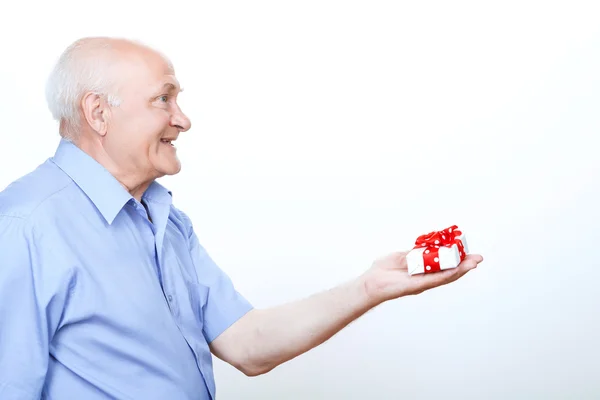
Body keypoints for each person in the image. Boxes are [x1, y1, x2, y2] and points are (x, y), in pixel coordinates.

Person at [0, 37, 483, 399]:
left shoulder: (165, 222)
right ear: (98, 113)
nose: (183, 119)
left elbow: (248, 344)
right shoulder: (25, 226)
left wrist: (370, 287)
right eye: (163, 99)